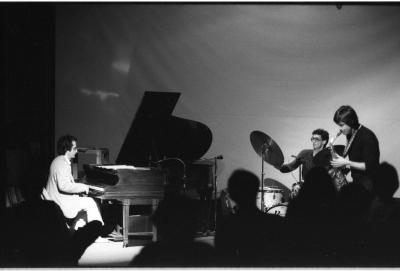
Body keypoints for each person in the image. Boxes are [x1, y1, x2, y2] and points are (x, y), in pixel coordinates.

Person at [43, 135, 104, 230]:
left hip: (59, 200)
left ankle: (74, 230)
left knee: (86, 205)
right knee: (90, 202)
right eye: (74, 148)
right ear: (67, 149)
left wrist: (82, 188)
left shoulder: (60, 161)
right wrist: (84, 187)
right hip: (59, 202)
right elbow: (63, 186)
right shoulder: (61, 162)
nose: (76, 151)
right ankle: (96, 232)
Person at [331, 105, 380, 193]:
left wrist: (346, 162)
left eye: (342, 125)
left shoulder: (367, 137)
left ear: (351, 122)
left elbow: (371, 166)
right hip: (358, 182)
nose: (340, 129)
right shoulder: (350, 134)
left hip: (369, 185)